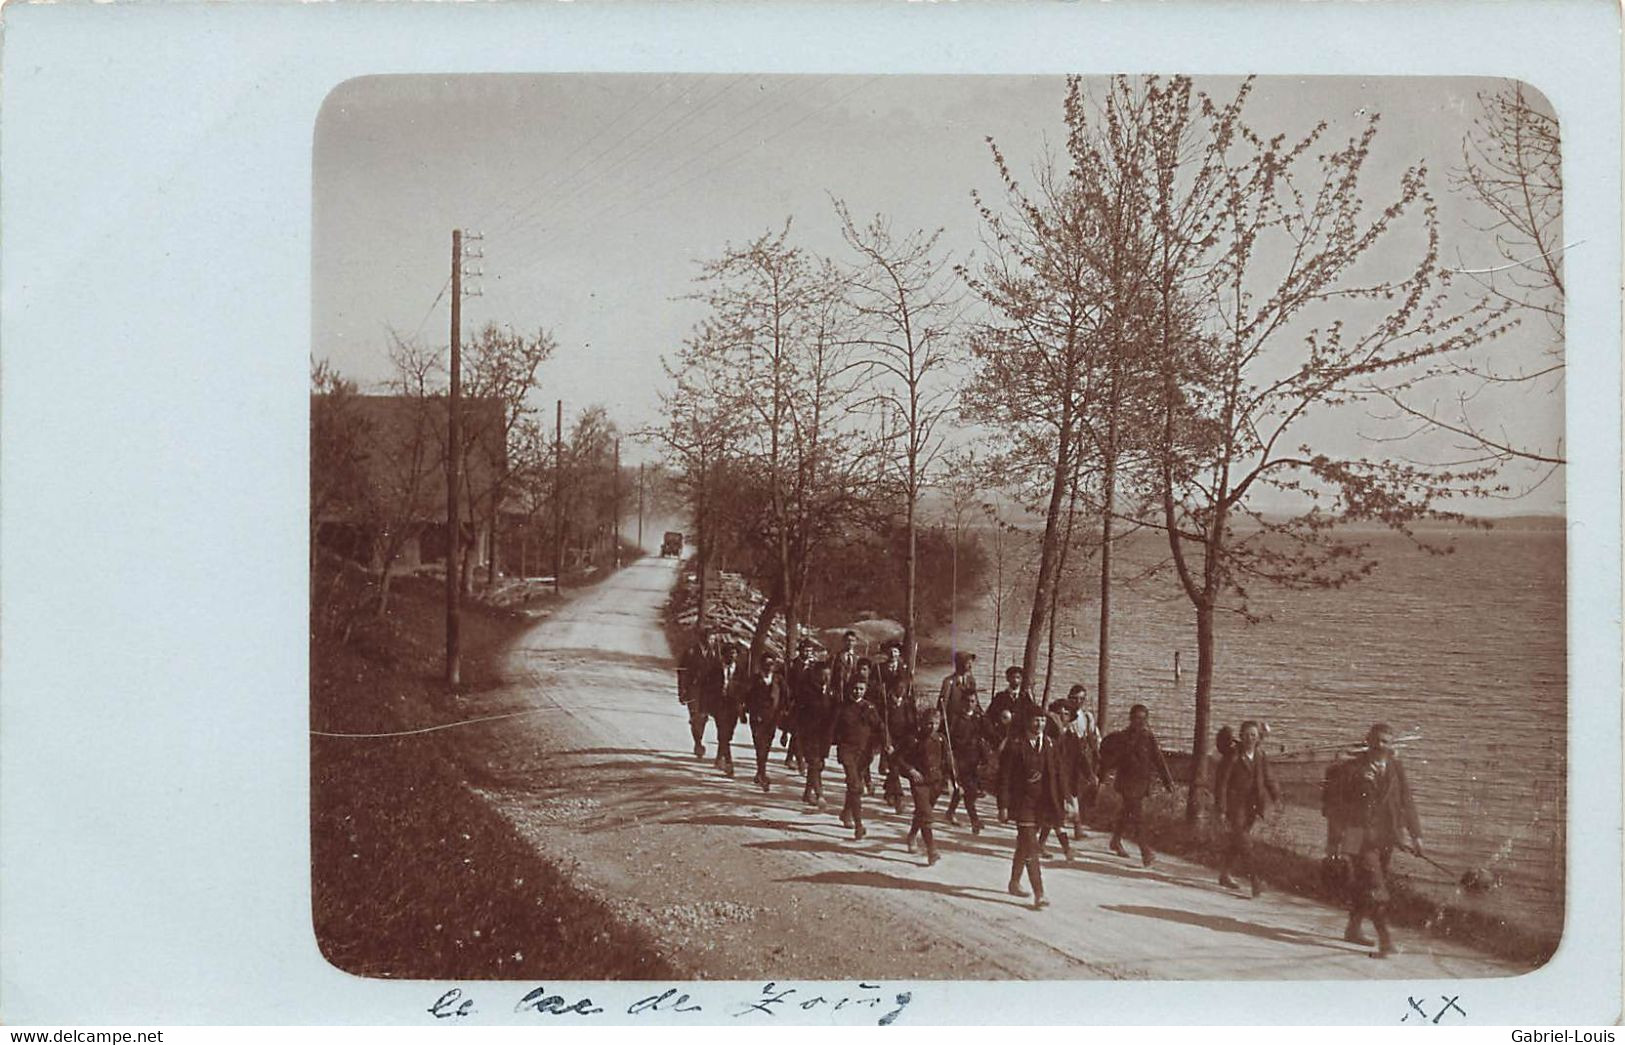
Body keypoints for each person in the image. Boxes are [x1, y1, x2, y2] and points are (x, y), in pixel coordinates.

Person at [1345, 722, 1423, 958]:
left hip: (1387, 836)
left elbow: (1406, 801)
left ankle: (1353, 929)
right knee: (1376, 887)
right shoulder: (1353, 767)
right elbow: (1340, 806)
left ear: (1391, 746)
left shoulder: (1396, 766)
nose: (1380, 745)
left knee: (1365, 886)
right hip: (1358, 837)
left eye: (1385, 742)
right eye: (1377, 740)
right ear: (1368, 740)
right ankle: (1385, 941)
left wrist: (1416, 835)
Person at [999, 712, 1066, 909]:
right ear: (1027, 721)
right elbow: (1004, 778)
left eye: (1043, 720)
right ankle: (1039, 893)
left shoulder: (1049, 744)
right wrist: (1003, 805)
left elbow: (1057, 774)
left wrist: (1067, 800)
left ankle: (1014, 882)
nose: (1040, 724)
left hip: (1042, 804)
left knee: (1024, 844)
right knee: (1031, 846)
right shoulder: (1015, 745)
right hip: (1022, 804)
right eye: (1036, 720)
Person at [1213, 720, 1280, 897]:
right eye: (1247, 735)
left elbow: (1268, 778)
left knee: (1238, 841)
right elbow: (1222, 783)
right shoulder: (1234, 756)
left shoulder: (1259, 755)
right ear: (1241, 736)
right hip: (1235, 806)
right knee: (1245, 843)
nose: (1250, 738)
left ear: (1258, 738)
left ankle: (1225, 874)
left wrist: (1276, 797)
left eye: (1254, 735)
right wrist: (1221, 808)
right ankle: (1255, 880)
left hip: (1252, 806)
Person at [1106, 703, 1174, 867]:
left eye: (1143, 719)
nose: (1140, 722)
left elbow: (1158, 760)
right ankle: (1145, 851)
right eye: (1136, 718)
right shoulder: (1123, 737)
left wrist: (1167, 781)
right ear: (1131, 719)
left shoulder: (1148, 737)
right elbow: (1113, 759)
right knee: (1137, 816)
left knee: (1127, 811)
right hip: (1127, 782)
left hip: (1142, 782)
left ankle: (1115, 839)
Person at [894, 705, 949, 865]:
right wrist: (911, 770)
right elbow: (897, 758)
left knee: (922, 813)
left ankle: (912, 835)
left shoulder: (941, 739)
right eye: (929, 723)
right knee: (926, 815)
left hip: (935, 782)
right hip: (919, 783)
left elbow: (947, 761)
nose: (932, 727)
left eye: (936, 723)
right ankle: (932, 850)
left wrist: (950, 781)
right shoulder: (912, 739)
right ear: (922, 723)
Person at [833, 679, 882, 839]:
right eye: (855, 689)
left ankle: (846, 813)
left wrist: (884, 745)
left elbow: (879, 727)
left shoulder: (870, 707)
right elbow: (831, 729)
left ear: (865, 690)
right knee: (855, 786)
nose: (857, 692)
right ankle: (859, 825)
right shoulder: (841, 707)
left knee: (854, 784)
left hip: (864, 753)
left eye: (861, 689)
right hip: (847, 751)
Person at [796, 662, 839, 806]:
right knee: (814, 763)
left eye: (828, 675)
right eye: (822, 675)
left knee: (819, 764)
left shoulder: (832, 693)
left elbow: (835, 714)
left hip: (824, 735)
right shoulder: (806, 691)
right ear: (815, 675)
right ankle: (819, 794)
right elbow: (798, 714)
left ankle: (807, 793)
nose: (826, 678)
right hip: (809, 734)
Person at [743, 651, 787, 793]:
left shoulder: (779, 680)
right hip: (757, 717)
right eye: (766, 664)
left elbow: (786, 696)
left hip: (772, 717)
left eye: (771, 664)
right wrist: (747, 712)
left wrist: (783, 712)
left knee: (767, 744)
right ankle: (762, 773)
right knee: (759, 744)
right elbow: (747, 697)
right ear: (761, 665)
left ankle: (760, 770)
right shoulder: (754, 679)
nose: (769, 667)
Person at [701, 644, 745, 777]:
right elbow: (706, 688)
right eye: (729, 654)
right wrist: (704, 707)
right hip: (719, 704)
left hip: (734, 705)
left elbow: (746, 688)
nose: (732, 657)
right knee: (723, 732)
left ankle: (719, 756)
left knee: (728, 733)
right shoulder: (715, 669)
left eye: (734, 654)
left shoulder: (741, 670)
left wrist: (743, 707)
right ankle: (729, 763)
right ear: (723, 656)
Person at [879, 666, 918, 814]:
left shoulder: (908, 704)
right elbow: (883, 724)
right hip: (890, 741)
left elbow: (913, 724)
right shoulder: (886, 703)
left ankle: (889, 792)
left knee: (897, 767)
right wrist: (886, 743)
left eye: (904, 687)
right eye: (899, 687)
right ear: (893, 687)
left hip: (904, 741)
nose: (901, 690)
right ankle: (898, 800)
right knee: (894, 767)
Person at [676, 628, 716, 758]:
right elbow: (682, 672)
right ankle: (698, 743)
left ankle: (699, 739)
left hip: (707, 690)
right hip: (693, 688)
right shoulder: (691, 652)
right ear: (703, 638)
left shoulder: (714, 653)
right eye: (710, 638)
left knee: (703, 717)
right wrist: (681, 690)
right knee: (695, 716)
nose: (712, 641)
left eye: (713, 639)